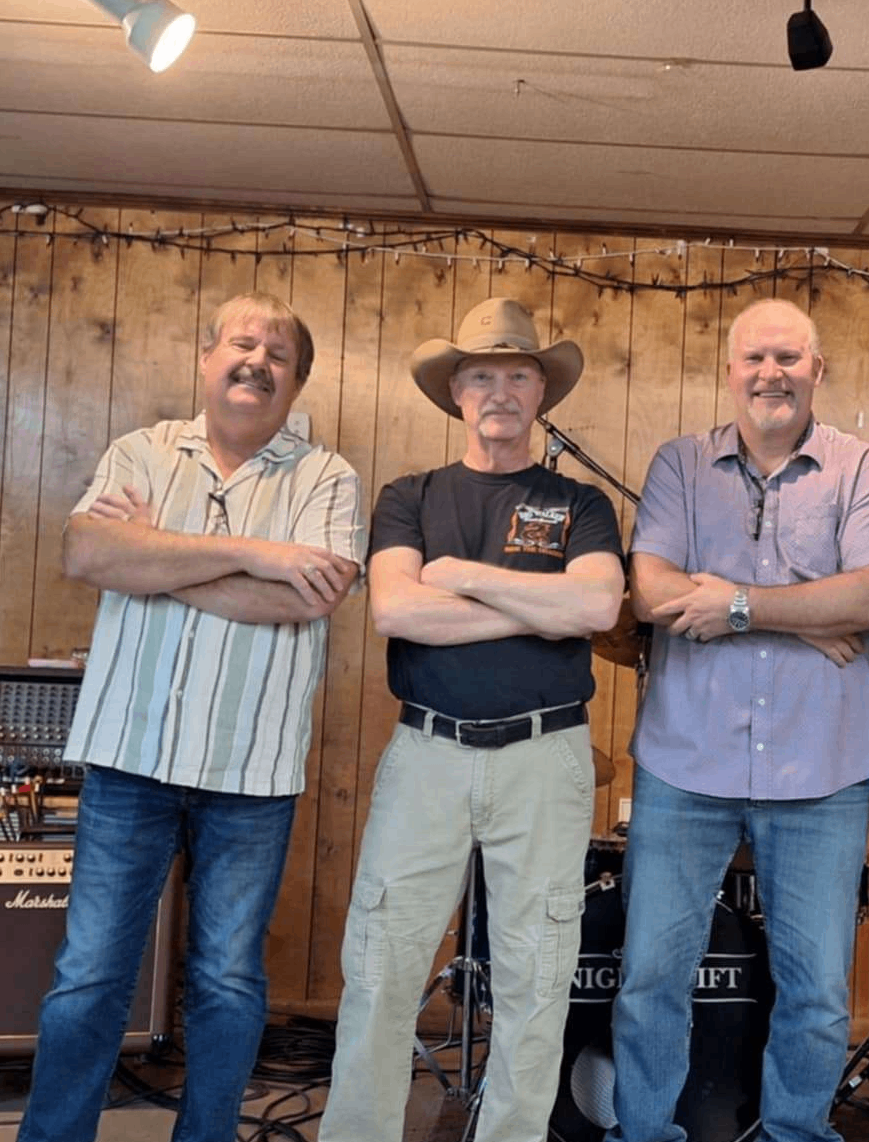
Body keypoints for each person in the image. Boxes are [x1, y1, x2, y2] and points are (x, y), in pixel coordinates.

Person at [17, 292, 367, 1142]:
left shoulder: (328, 477)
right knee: (90, 977)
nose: (257, 360)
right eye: (241, 343)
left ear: (297, 379)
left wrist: (156, 556)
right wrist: (257, 554)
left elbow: (307, 600)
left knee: (228, 981)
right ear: (207, 358)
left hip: (251, 772)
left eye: (278, 353)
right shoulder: (139, 451)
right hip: (127, 759)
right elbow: (87, 551)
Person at [320, 297, 625, 1142]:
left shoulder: (579, 505)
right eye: (481, 375)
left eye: (517, 374)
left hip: (545, 754)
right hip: (427, 751)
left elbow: (599, 604)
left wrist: (457, 573)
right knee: (381, 970)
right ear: (455, 392)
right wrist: (540, 607)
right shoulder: (410, 496)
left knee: (536, 975)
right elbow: (395, 612)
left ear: (541, 393)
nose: (500, 390)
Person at [608, 298, 869, 1142]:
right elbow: (653, 591)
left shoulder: (864, 468)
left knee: (814, 987)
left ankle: (794, 1134)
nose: (770, 374)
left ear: (818, 370)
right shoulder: (679, 465)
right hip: (683, 761)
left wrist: (735, 602)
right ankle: (646, 1134)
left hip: (825, 768)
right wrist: (808, 617)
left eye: (788, 357)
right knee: (650, 978)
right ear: (730, 370)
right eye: (754, 359)